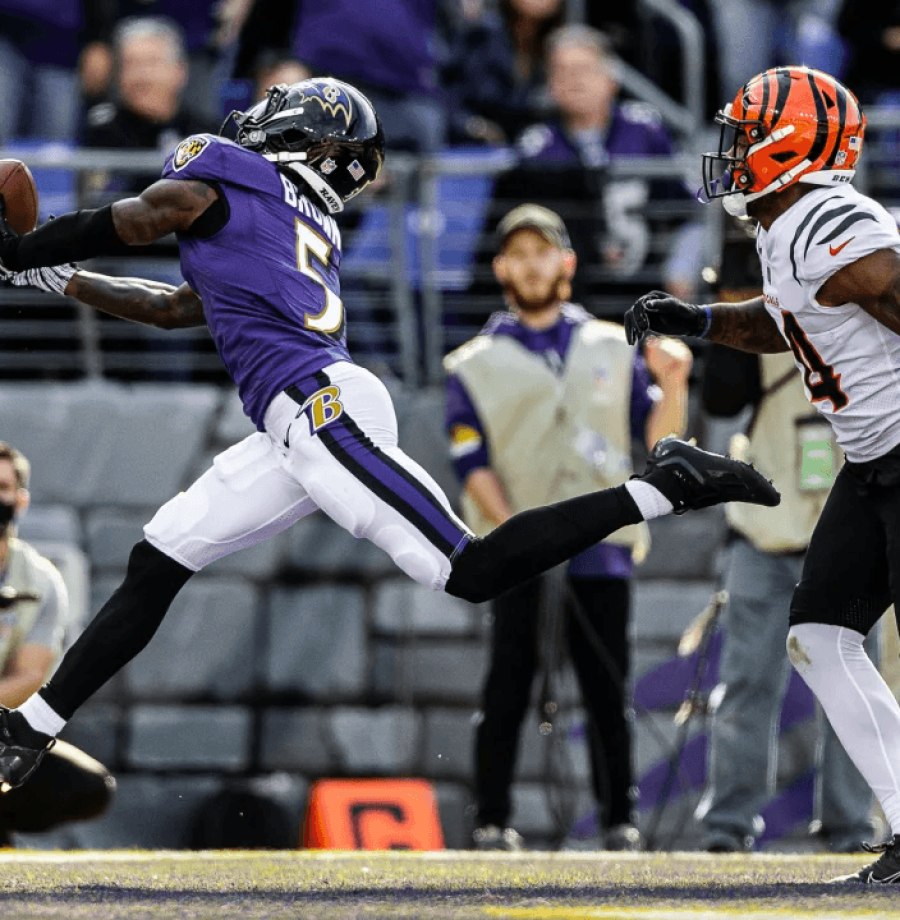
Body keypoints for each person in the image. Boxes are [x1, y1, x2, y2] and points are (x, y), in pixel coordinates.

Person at [0, 76, 778, 796]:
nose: (263, 112)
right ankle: (31, 726)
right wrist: (56, 277)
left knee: (468, 569)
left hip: (318, 409)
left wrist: (20, 250)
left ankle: (663, 485)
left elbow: (145, 216)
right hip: (295, 421)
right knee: (160, 558)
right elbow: (175, 309)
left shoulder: (233, 172)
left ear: (307, 133)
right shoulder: (294, 217)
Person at [624, 65, 900, 883]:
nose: (734, 150)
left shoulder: (825, 217)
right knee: (820, 635)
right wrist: (700, 320)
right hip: (873, 463)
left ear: (791, 143)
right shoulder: (789, 228)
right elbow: (788, 322)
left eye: (746, 135)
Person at [445, 203, 693, 850]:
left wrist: (673, 383)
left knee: (606, 688)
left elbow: (657, 442)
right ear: (501, 268)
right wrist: (523, 535)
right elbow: (471, 463)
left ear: (567, 262)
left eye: (542, 252)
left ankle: (619, 821)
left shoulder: (614, 344)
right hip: (516, 553)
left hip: (603, 547)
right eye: (518, 255)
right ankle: (491, 819)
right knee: (507, 685)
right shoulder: (472, 362)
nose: (531, 266)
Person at [695, 218, 874, 854]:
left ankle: (852, 827)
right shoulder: (765, 319)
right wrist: (732, 296)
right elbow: (720, 401)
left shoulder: (871, 321)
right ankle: (729, 825)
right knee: (748, 684)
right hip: (765, 533)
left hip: (849, 536)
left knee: (852, 690)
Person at [473, 24, 702, 313]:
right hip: (569, 300)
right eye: (563, 71)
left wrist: (680, 267)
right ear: (550, 83)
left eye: (584, 69)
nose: (575, 80)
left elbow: (692, 210)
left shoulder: (645, 131)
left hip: (642, 291)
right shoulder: (536, 147)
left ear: (611, 78)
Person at [0, 441, 114, 847]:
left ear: (21, 499)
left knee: (89, 786)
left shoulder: (40, 579)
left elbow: (30, 677)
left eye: (3, 488)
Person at [81, 16, 218, 206]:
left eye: (152, 63)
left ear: (180, 71)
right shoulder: (99, 133)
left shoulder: (209, 136)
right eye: (131, 64)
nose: (142, 77)